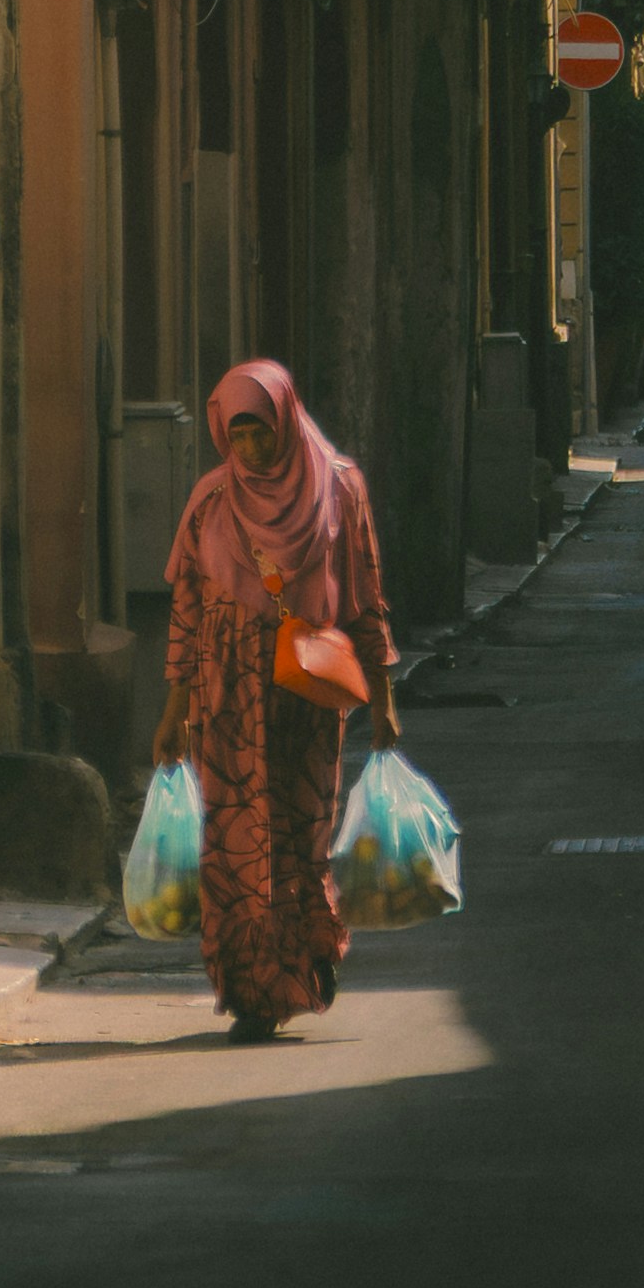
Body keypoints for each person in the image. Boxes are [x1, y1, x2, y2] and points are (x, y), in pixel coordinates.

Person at [153, 359, 397, 1043]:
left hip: (306, 698)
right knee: (233, 849)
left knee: (299, 839)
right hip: (226, 700)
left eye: (262, 432)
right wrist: (175, 711)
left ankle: (311, 960)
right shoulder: (210, 502)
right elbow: (187, 611)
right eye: (239, 436)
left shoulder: (339, 488)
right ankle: (254, 996)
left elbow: (366, 595)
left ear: (286, 419)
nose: (253, 449)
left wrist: (384, 701)